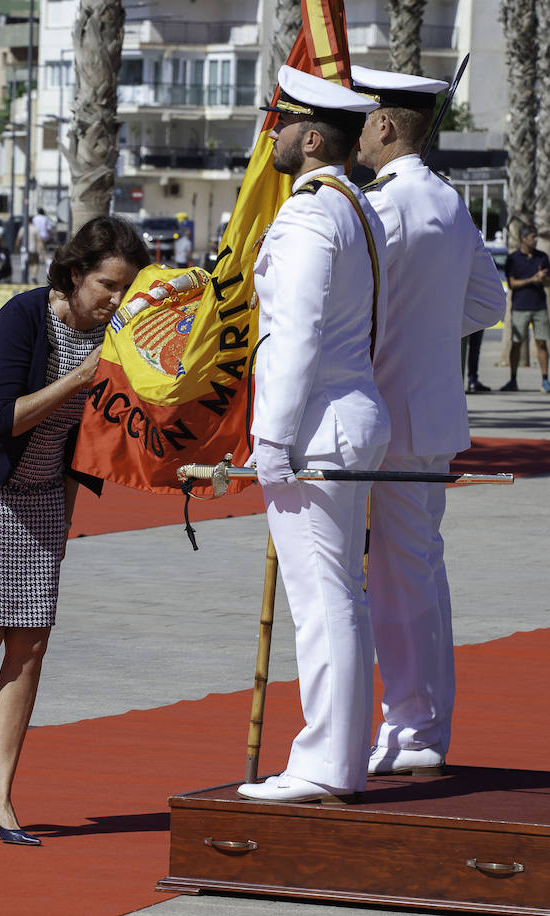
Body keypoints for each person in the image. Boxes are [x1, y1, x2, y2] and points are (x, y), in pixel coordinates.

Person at [0, 215, 148, 844]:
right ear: (75, 275)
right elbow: (1, 422)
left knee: (32, 640)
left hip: (44, 492)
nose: (116, 300)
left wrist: (69, 507)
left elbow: (91, 436)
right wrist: (81, 375)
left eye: (127, 288)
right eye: (106, 285)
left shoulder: (117, 334)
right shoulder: (23, 317)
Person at [237, 67, 389, 804]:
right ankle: (341, 759)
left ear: (313, 137)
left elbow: (292, 337)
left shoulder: (305, 217)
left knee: (324, 600)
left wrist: (271, 441)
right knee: (342, 599)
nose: (272, 134)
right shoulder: (354, 208)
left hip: (315, 431)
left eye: (282, 124)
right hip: (347, 416)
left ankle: (326, 762)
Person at [352, 66, 508, 777]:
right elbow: (487, 300)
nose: (355, 134)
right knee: (418, 572)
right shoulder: (445, 197)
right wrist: (428, 338)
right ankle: (420, 722)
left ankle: (413, 726)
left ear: (385, 125)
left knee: (397, 577)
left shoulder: (383, 203)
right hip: (429, 410)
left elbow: (343, 300)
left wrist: (399, 340)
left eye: (362, 120)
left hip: (389, 414)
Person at [501, 224, 550, 392]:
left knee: (541, 343)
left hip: (539, 306)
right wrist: (532, 280)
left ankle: (545, 380)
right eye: (533, 236)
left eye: (536, 236)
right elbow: (511, 284)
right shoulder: (513, 258)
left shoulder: (543, 257)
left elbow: (549, 282)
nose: (536, 239)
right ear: (523, 238)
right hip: (520, 306)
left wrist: (543, 279)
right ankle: (513, 380)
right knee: (516, 343)